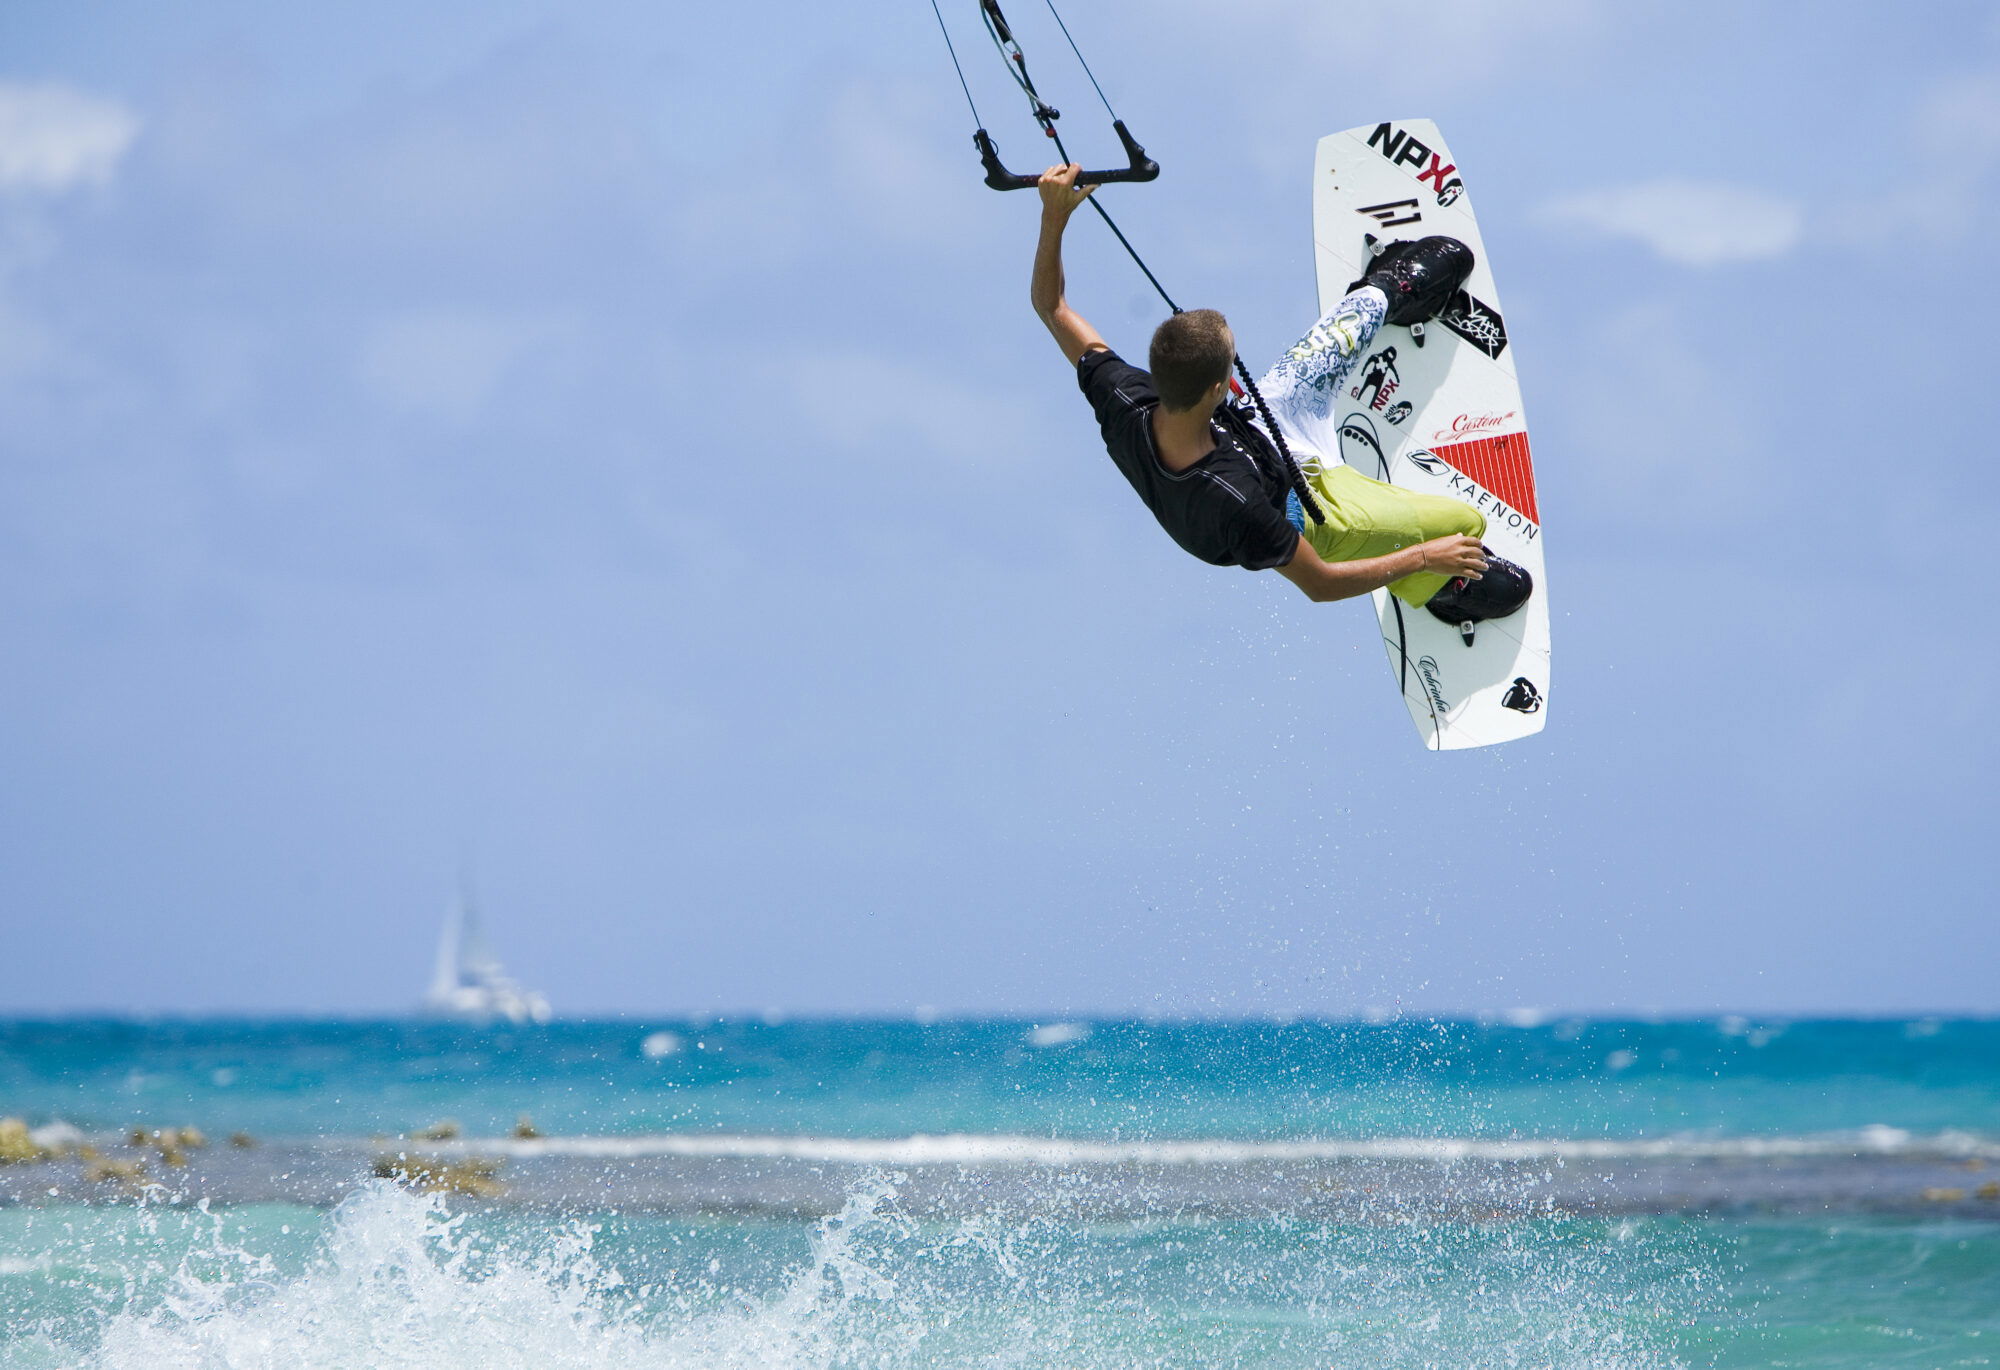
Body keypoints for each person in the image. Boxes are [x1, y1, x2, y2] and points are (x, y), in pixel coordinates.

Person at [1030, 162, 1531, 620]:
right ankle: (1439, 589)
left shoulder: (1124, 395)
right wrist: (1425, 556)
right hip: (1308, 511)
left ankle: (1386, 290)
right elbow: (1321, 584)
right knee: (1461, 527)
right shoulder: (1235, 505)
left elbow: (1051, 307)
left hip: (1256, 431)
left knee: (1326, 347)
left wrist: (1054, 218)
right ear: (1218, 386)